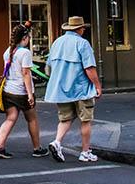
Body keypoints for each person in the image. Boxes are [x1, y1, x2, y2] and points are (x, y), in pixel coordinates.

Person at [44, 16, 102, 163]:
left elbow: (48, 67)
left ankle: (57, 142)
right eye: (83, 28)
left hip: (61, 89)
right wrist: (97, 85)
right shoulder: (82, 43)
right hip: (81, 88)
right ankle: (85, 152)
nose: (84, 30)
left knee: (65, 118)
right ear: (79, 29)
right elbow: (89, 68)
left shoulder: (57, 42)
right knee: (86, 120)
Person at [0, 24, 48, 159]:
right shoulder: (25, 53)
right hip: (21, 91)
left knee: (10, 118)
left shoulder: (8, 51)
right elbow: (26, 74)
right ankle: (37, 148)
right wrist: (30, 94)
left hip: (8, 90)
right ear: (24, 38)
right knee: (32, 118)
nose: (29, 39)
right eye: (28, 37)